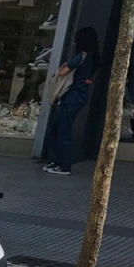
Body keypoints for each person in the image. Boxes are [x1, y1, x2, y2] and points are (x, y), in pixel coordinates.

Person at [44, 27, 100, 175]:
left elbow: (64, 71)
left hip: (71, 97)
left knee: (62, 131)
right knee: (60, 129)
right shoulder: (93, 58)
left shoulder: (81, 56)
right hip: (79, 97)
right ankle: (58, 162)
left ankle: (63, 165)